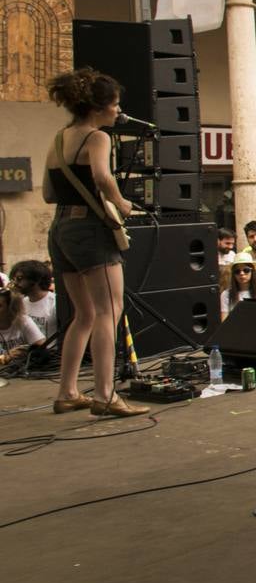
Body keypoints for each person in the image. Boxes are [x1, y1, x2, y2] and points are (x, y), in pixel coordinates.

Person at [43, 68, 149, 417]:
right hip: (89, 230)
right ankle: (104, 395)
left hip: (60, 229)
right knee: (108, 311)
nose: (118, 111)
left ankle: (68, 392)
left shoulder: (59, 139)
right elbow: (103, 177)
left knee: (84, 313)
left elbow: (47, 193)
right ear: (97, 107)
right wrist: (121, 203)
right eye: (115, 105)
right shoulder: (97, 138)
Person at [9, 260, 56, 341]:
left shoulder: (55, 303)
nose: (15, 283)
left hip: (49, 351)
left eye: (19, 279)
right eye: (14, 279)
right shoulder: (21, 303)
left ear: (36, 279)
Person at [0, 287, 47, 367]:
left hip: (22, 372)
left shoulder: (24, 321)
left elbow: (42, 346)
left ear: (11, 308)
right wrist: (5, 357)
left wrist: (25, 350)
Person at [221, 252, 256, 318]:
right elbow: (224, 321)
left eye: (246, 270)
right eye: (237, 271)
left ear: (252, 271)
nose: (242, 274)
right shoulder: (226, 294)